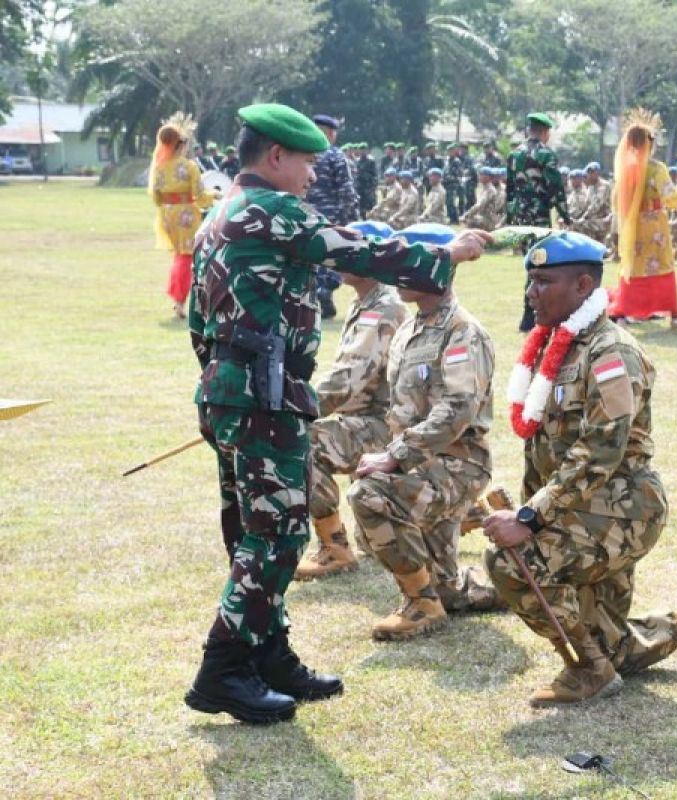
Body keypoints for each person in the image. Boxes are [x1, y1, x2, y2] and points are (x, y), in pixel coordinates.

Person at [184, 102, 489, 725]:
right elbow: (364, 251)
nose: (312, 176)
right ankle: (223, 670)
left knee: (252, 529)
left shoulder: (218, 216)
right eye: (306, 162)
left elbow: (198, 320)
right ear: (275, 157)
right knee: (277, 534)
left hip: (229, 392)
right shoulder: (273, 210)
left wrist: (228, 382)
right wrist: (447, 254)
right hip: (265, 398)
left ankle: (270, 656)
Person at [482, 231, 677, 706]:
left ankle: (590, 670)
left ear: (583, 285)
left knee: (513, 562)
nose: (532, 293)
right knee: (619, 649)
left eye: (544, 282)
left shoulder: (611, 353)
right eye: (531, 281)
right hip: (581, 509)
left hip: (620, 512)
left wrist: (529, 518)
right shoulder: (558, 345)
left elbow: (599, 453)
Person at [348, 224, 502, 639]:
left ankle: (421, 604)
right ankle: (454, 590)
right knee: (447, 585)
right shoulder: (409, 328)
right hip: (425, 463)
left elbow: (458, 409)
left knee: (369, 494)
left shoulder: (462, 332)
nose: (402, 272)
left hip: (458, 464)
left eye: (415, 261)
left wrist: (395, 456)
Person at [295, 222, 409, 581]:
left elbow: (348, 382)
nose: (338, 258)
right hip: (371, 420)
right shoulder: (367, 301)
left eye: (349, 251)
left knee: (303, 441)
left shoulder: (383, 308)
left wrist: (292, 408)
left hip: (387, 427)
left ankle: (334, 548)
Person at [607, 109, 677, 330]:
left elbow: (616, 199)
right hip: (655, 226)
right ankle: (674, 316)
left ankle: (622, 314)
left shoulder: (625, 169)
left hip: (633, 227)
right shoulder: (656, 168)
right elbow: (671, 197)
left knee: (633, 268)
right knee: (663, 266)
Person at [506, 112, 572, 332]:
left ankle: (530, 315)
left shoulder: (515, 154)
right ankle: (530, 315)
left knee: (530, 262)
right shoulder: (546, 155)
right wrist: (564, 214)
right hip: (539, 216)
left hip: (520, 216)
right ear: (545, 131)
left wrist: (509, 218)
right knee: (539, 263)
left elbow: (510, 190)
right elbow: (555, 188)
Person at [149, 113, 214, 319]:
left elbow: (157, 196)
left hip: (167, 216)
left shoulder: (159, 167)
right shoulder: (189, 166)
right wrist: (215, 196)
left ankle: (176, 294)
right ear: (180, 144)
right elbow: (201, 196)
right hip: (186, 215)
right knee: (187, 258)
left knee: (179, 256)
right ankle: (179, 300)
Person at [305, 114, 358, 319]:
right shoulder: (335, 155)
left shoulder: (304, 154)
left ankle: (313, 295)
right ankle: (324, 291)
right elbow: (346, 189)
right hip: (332, 216)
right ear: (330, 133)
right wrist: (351, 217)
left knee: (310, 255)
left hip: (306, 216)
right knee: (333, 255)